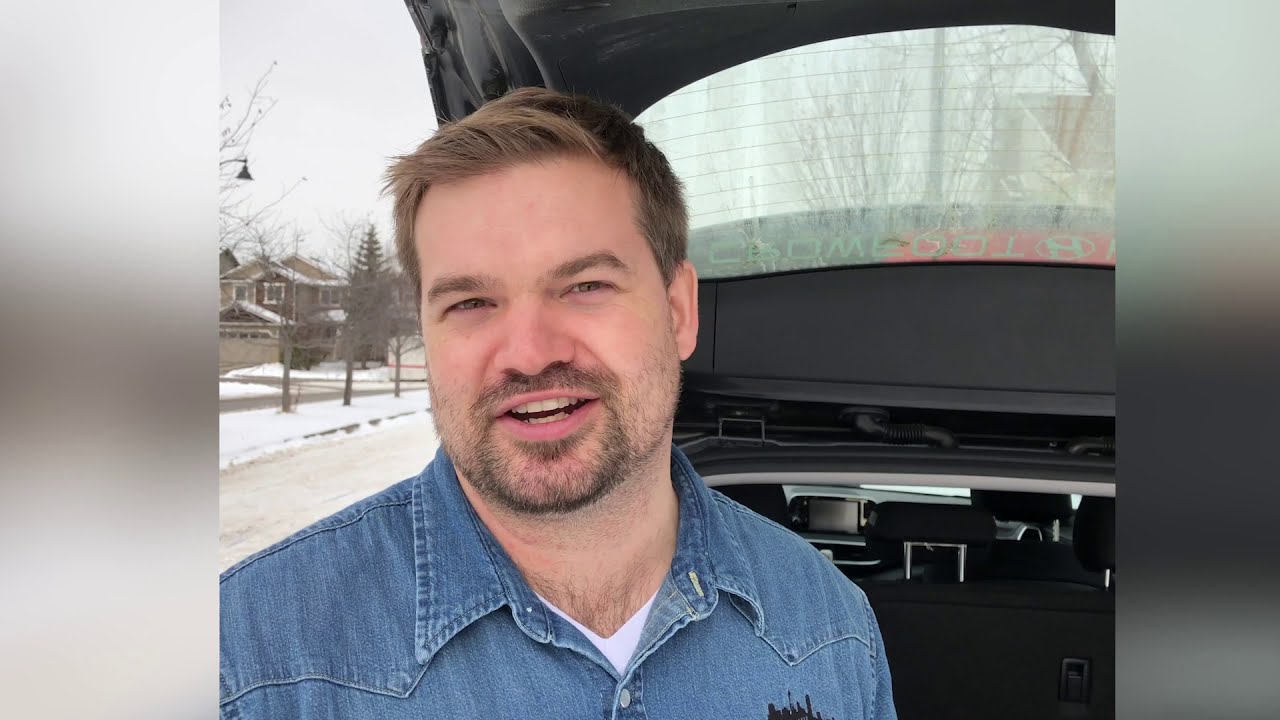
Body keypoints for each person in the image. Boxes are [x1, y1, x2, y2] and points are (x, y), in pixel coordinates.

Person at [219, 87, 897, 719]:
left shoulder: (829, 629)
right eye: (471, 302)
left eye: (584, 286)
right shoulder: (247, 661)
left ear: (678, 310)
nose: (529, 353)